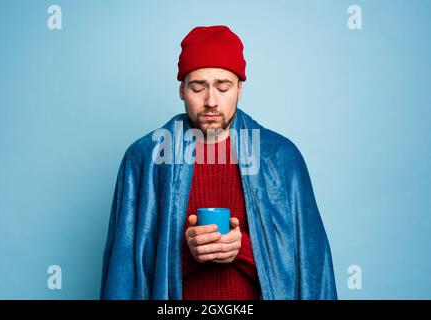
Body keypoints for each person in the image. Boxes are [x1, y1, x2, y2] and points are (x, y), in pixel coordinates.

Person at [100, 25, 337, 300]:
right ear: (181, 90)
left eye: (223, 87)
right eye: (198, 87)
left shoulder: (281, 158)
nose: (211, 101)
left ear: (240, 89)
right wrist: (186, 253)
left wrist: (244, 249)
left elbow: (310, 269)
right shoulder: (145, 159)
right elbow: (126, 271)